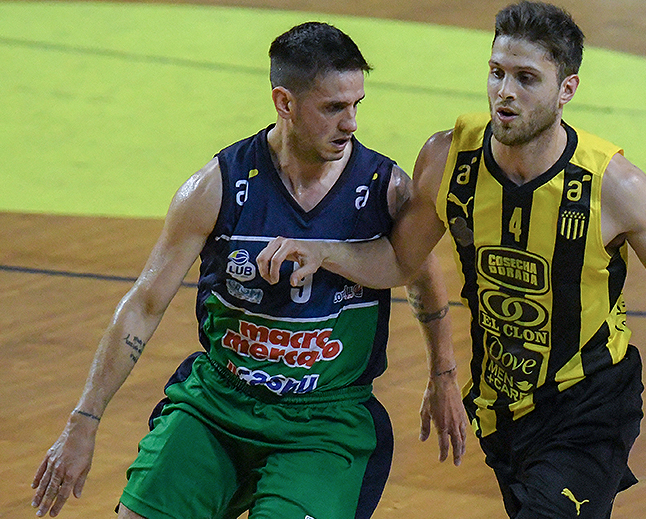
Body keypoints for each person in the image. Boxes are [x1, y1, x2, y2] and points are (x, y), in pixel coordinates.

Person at [254, 3, 646, 519]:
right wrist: (325, 252)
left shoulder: (615, 187)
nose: (505, 91)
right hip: (501, 404)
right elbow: (398, 261)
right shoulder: (448, 160)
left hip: (590, 402)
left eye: (526, 79)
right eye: (497, 72)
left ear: (566, 90)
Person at [31, 22, 467, 519]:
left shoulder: (385, 189)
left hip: (324, 421)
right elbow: (143, 306)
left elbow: (422, 279)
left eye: (356, 105)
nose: (350, 124)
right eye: (333, 108)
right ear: (285, 103)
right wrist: (84, 421)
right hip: (219, 403)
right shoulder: (217, 187)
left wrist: (443, 375)